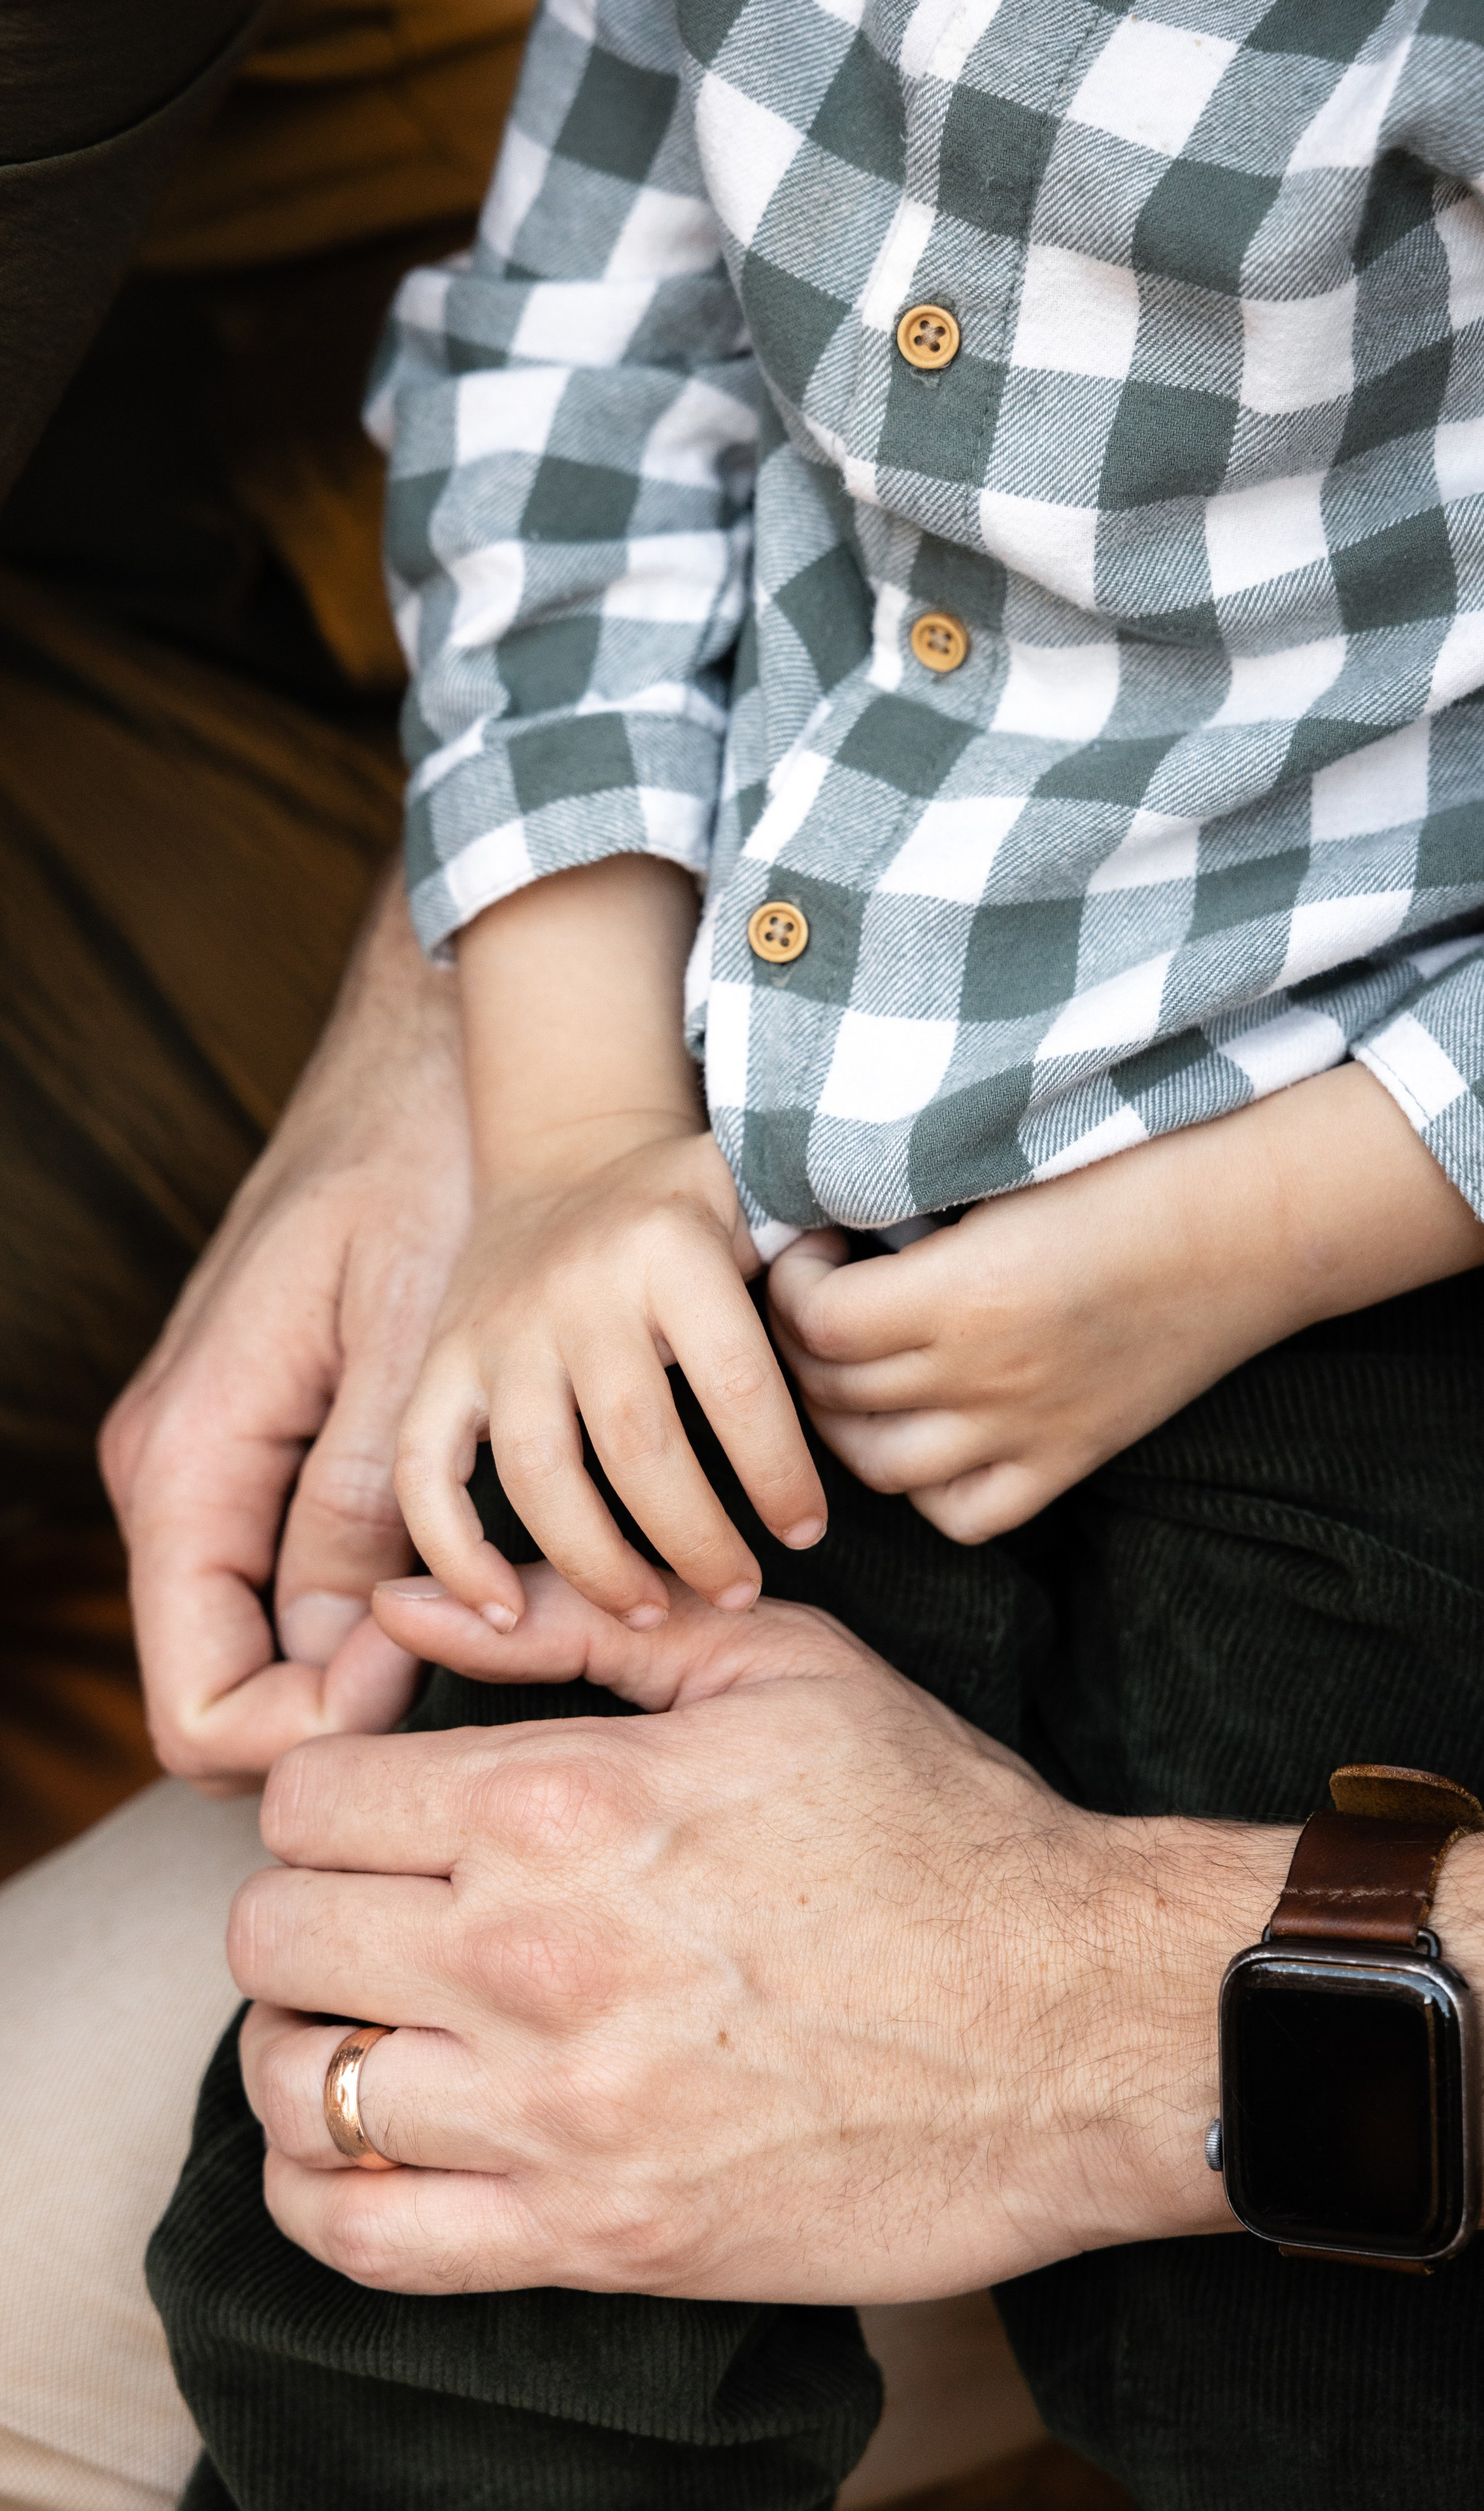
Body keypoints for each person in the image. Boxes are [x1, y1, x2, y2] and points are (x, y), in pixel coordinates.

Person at [137, 0, 1484, 2503]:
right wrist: (561, 1133)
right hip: (740, 1180)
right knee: (420, 2257)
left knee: (1327, 2349)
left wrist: (1258, 1236)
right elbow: (579, 363)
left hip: (1357, 1233)